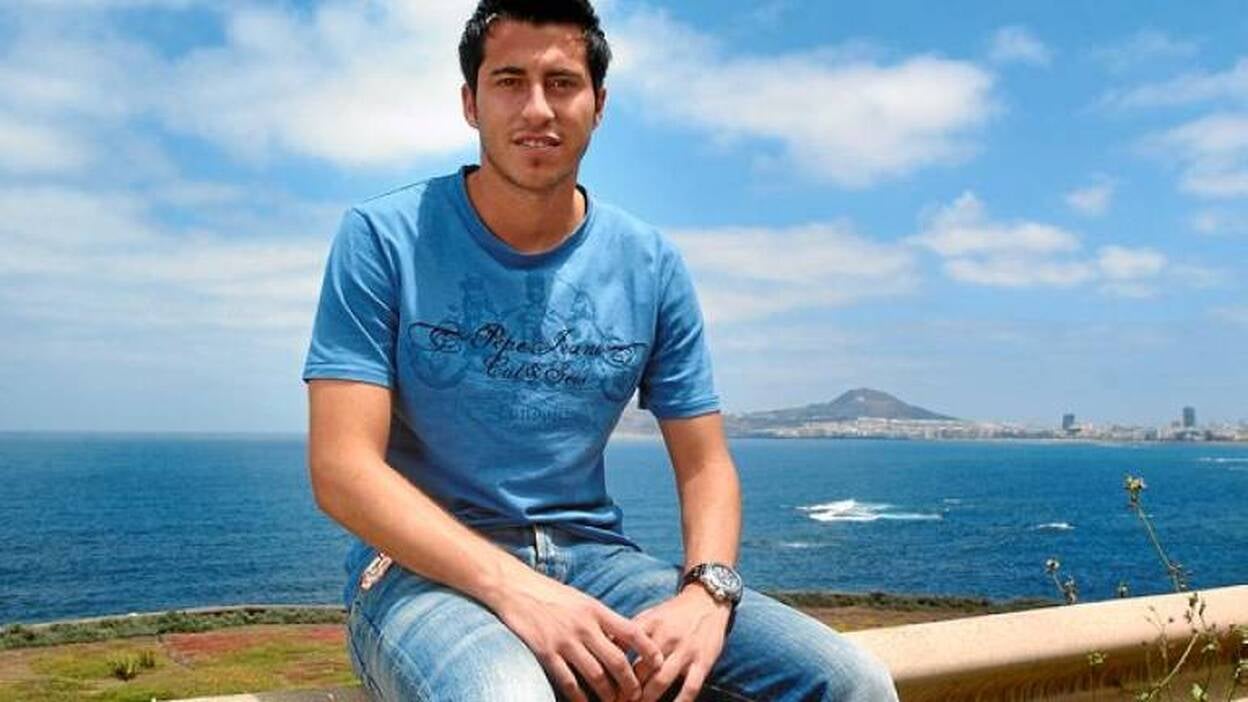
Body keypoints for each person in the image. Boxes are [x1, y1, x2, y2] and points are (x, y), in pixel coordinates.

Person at [302, 1, 899, 700]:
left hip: (596, 564)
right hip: (419, 572)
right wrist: (517, 589)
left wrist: (707, 593)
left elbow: (706, 465)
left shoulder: (649, 264)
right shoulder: (384, 238)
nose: (537, 108)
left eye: (561, 83)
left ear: (598, 104)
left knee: (850, 682)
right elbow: (342, 469)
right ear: (470, 103)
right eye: (509, 81)